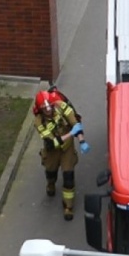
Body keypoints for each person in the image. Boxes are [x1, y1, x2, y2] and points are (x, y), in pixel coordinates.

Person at [34, 89, 86, 220]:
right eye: (45, 109)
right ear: (40, 110)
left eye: (50, 107)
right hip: (52, 150)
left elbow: (75, 123)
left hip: (67, 148)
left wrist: (82, 141)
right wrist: (71, 133)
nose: (49, 110)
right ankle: (51, 183)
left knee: (68, 176)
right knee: (51, 171)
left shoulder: (61, 106)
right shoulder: (39, 122)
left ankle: (68, 206)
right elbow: (51, 143)